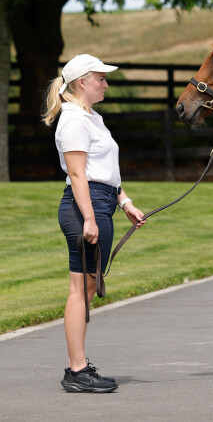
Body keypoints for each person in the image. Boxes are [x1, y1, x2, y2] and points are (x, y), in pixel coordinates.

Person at [42, 54, 146, 393]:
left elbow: (105, 172)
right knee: (81, 289)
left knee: (85, 287)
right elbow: (77, 175)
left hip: (101, 201)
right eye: (100, 78)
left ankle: (79, 367)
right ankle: (77, 370)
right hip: (85, 206)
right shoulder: (74, 119)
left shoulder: (91, 118)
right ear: (82, 82)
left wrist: (124, 202)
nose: (106, 84)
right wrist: (89, 217)